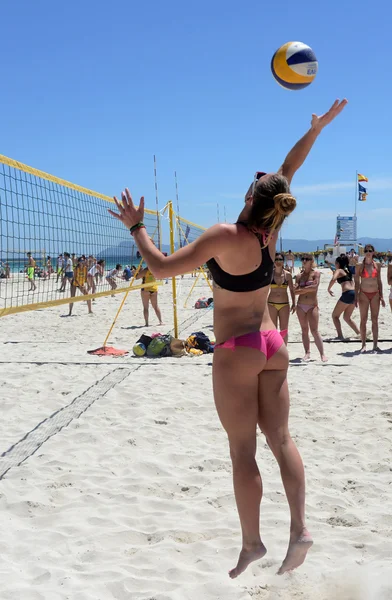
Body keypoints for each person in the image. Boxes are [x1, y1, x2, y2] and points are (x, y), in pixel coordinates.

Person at [109, 99, 347, 577]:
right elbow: (287, 170)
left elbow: (158, 267)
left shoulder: (224, 234)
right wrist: (316, 131)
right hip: (272, 345)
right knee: (280, 438)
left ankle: (252, 543)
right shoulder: (269, 233)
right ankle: (300, 529)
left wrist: (137, 227)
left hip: (237, 350)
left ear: (248, 195)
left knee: (243, 450)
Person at [294, 255, 327, 362]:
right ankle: (307, 353)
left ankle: (322, 354)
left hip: (312, 305)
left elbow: (315, 288)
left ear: (311, 261)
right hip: (300, 305)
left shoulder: (316, 274)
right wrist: (307, 289)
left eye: (306, 259)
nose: (304, 261)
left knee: (314, 330)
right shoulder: (299, 276)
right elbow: (294, 291)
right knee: (304, 330)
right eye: (302, 259)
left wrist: (302, 289)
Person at [355, 244, 385, 353]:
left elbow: (379, 281)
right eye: (366, 250)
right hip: (363, 294)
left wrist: (381, 296)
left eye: (370, 250)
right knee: (363, 319)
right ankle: (363, 345)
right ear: (364, 252)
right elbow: (357, 282)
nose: (368, 252)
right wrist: (355, 296)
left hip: (375, 294)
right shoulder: (359, 265)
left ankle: (375, 345)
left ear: (373, 252)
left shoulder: (377, 265)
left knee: (375, 320)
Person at [327, 255, 359, 339]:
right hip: (355, 294)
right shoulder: (347, 271)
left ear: (337, 263)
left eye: (335, 263)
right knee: (347, 317)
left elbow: (333, 279)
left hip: (347, 293)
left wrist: (329, 289)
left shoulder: (339, 270)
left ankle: (340, 336)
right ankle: (359, 333)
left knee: (335, 316)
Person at [268, 253, 295, 344]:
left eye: (280, 259)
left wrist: (294, 303)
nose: (278, 261)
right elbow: (263, 290)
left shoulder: (288, 275)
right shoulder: (270, 274)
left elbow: (292, 290)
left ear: (283, 261)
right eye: (276, 259)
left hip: (284, 304)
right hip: (271, 304)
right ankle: (274, 350)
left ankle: (284, 350)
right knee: (272, 329)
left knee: (284, 330)